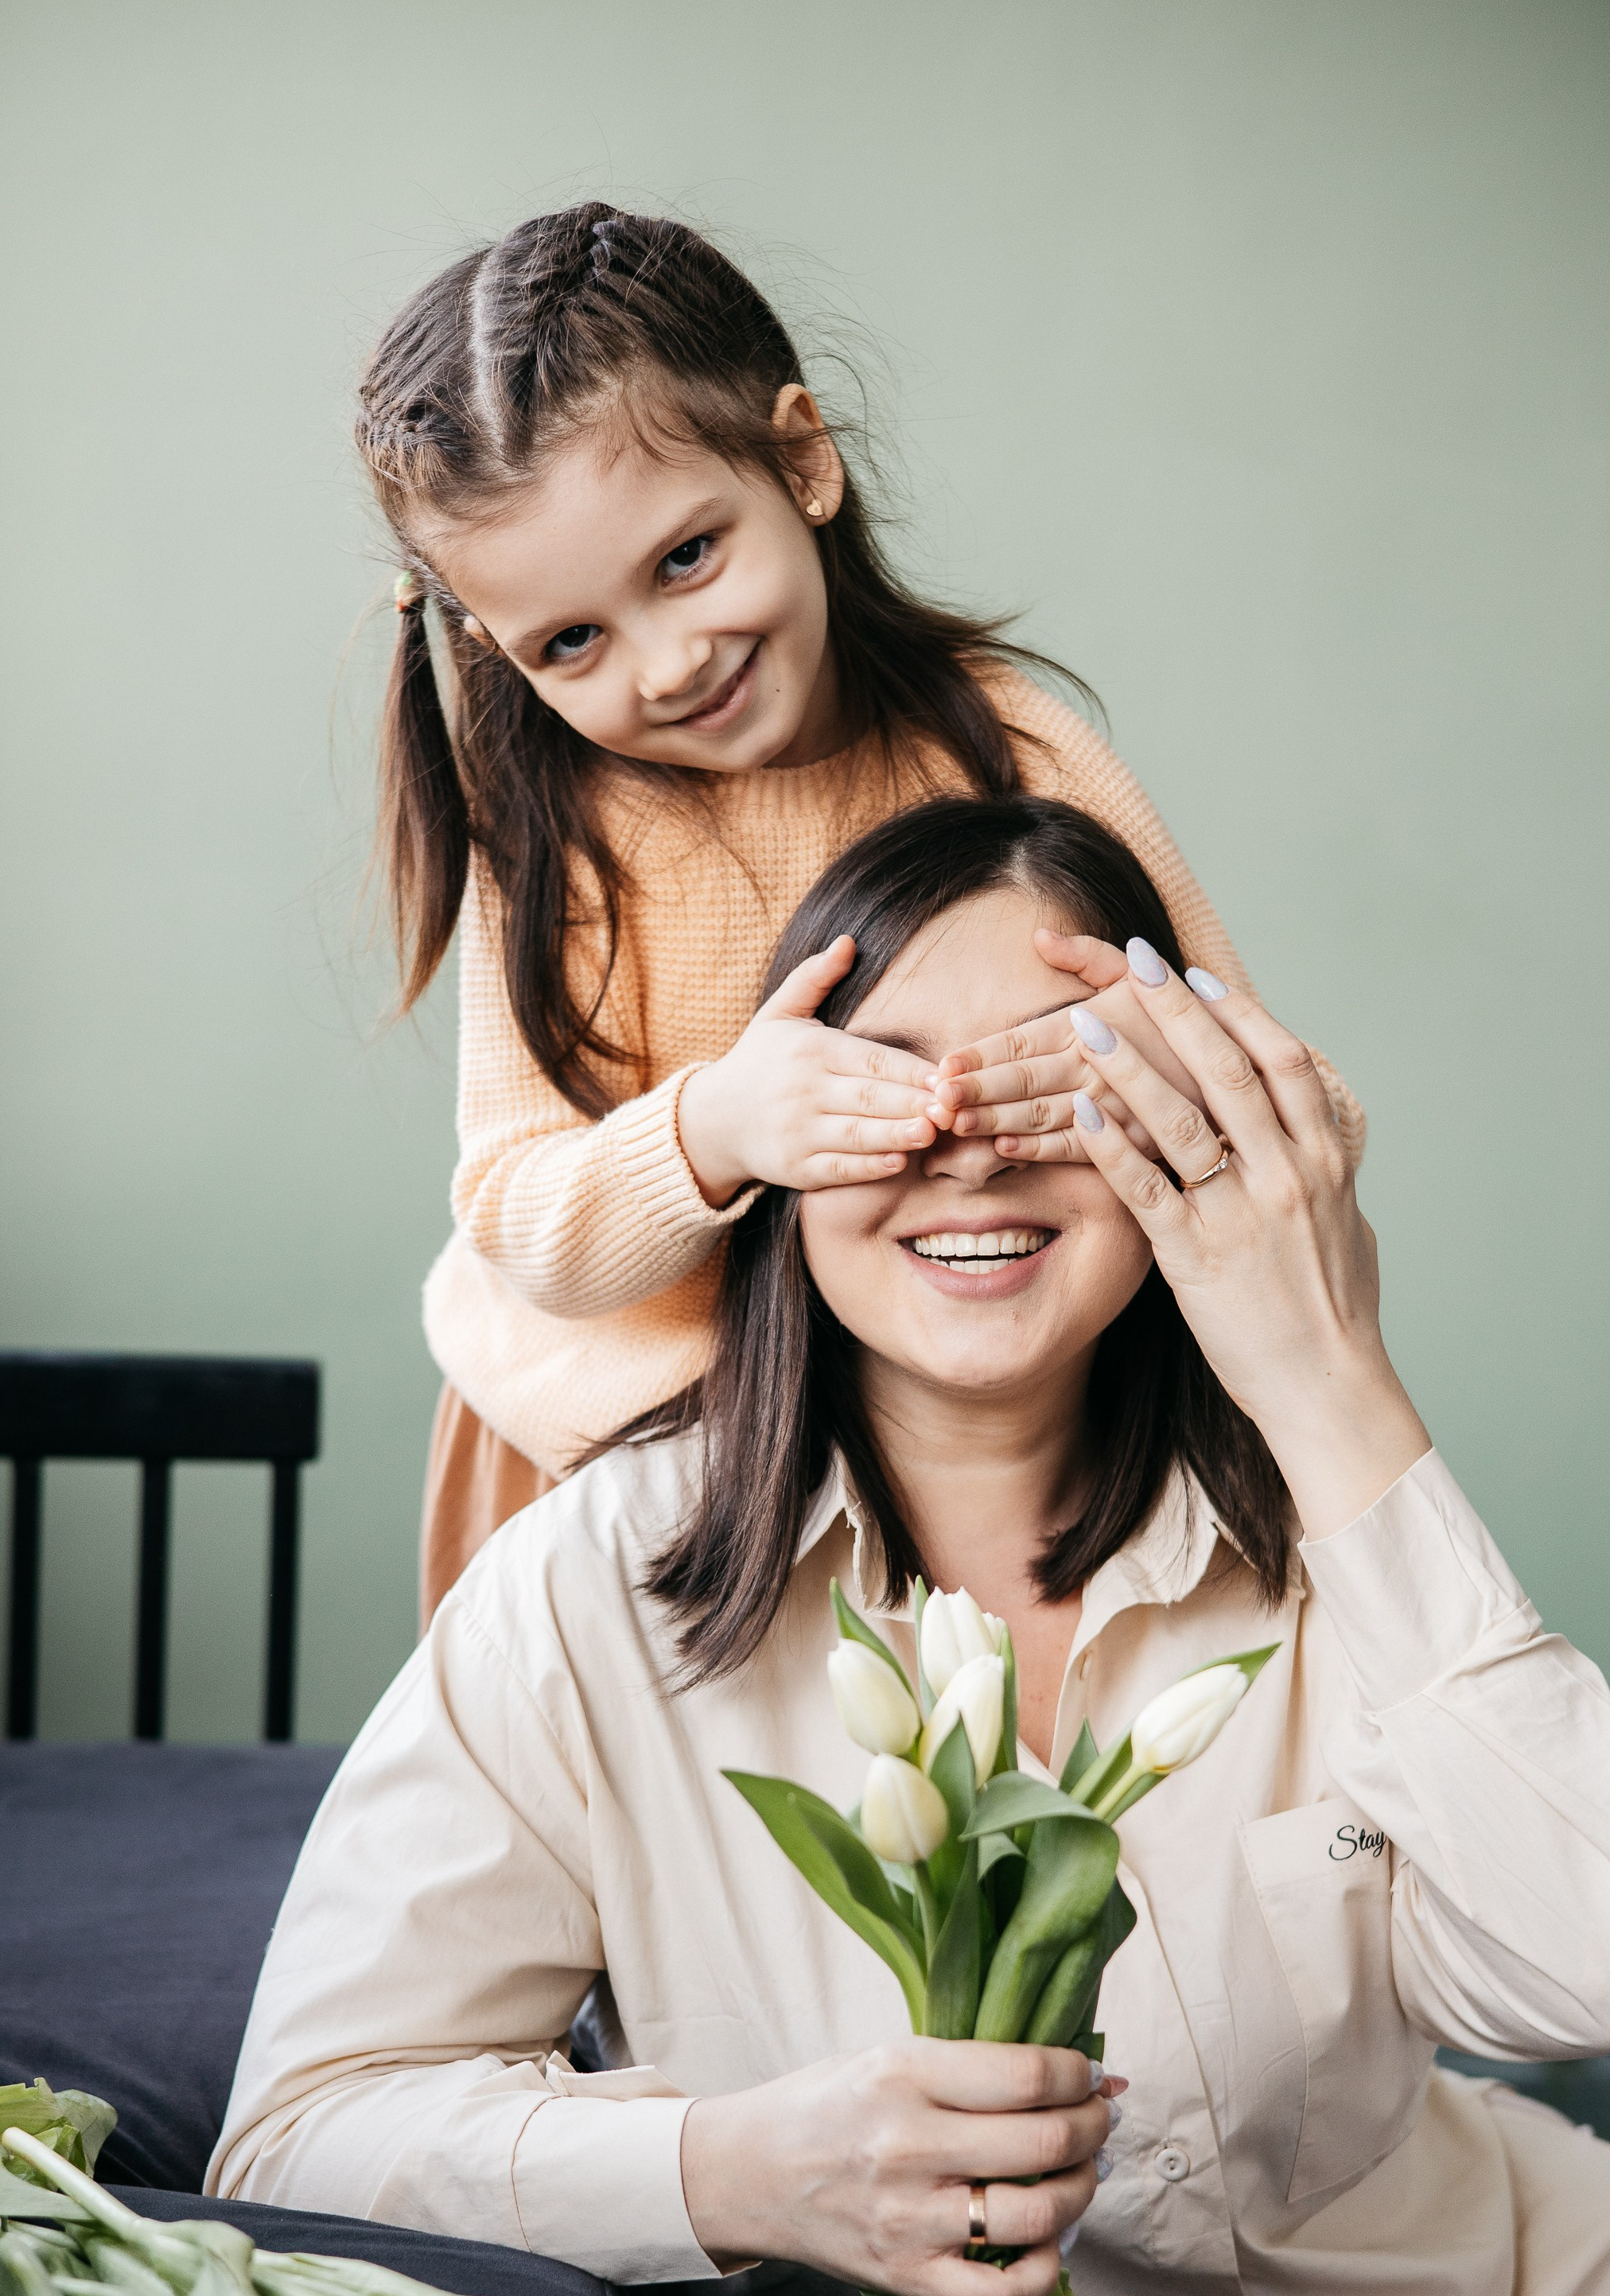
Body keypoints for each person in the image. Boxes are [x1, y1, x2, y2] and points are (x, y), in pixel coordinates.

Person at [211, 797, 1610, 2296]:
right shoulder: (591, 1597)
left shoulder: (1317, 1511)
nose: (965, 1152)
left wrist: (1322, 1357)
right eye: (885, 1087)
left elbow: (1598, 1966)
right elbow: (303, 2130)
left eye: (1048, 1083)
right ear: (778, 1148)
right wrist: (743, 2167)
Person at [355, 201, 1350, 1620]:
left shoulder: (1011, 754)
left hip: (914, 1461)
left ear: (804, 460)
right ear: (493, 649)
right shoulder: (553, 834)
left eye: (687, 558)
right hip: (590, 1459)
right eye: (570, 641)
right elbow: (519, 1221)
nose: (666, 663)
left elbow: (1300, 1121)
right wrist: (716, 1130)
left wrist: (1137, 1074)